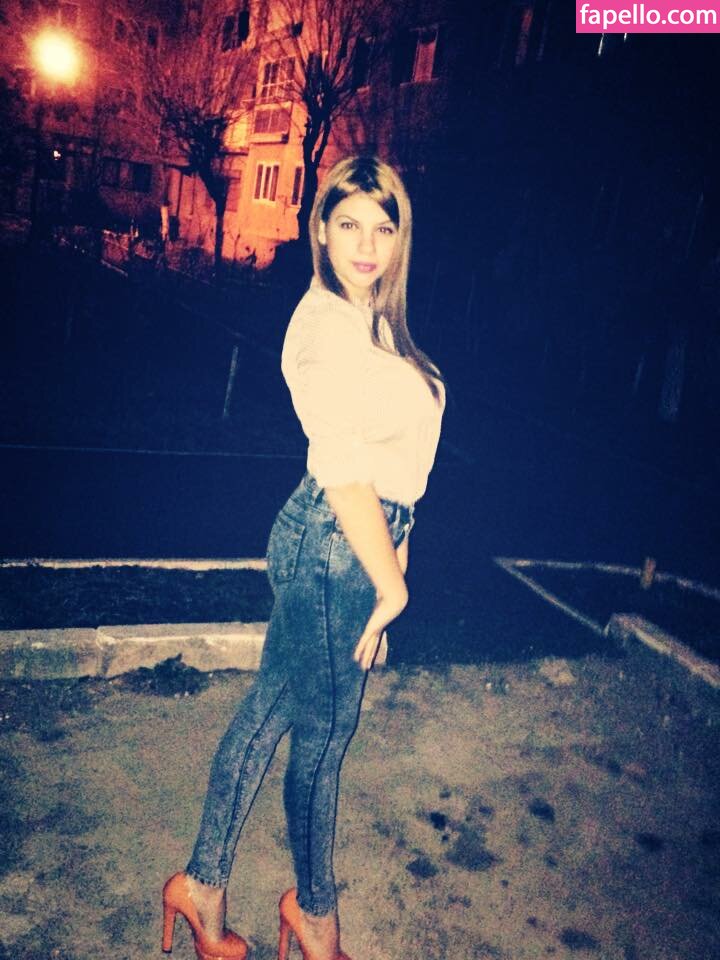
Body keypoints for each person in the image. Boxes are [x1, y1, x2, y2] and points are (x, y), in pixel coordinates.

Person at [161, 156, 445, 960]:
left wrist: (395, 569)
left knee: (272, 711)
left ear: (401, 239)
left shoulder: (376, 324)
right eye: (349, 224)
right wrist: (389, 589)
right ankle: (314, 917)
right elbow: (347, 468)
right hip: (334, 543)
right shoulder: (324, 326)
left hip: (356, 541)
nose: (367, 245)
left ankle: (201, 887)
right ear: (320, 229)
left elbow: (401, 475)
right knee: (323, 739)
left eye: (384, 228)